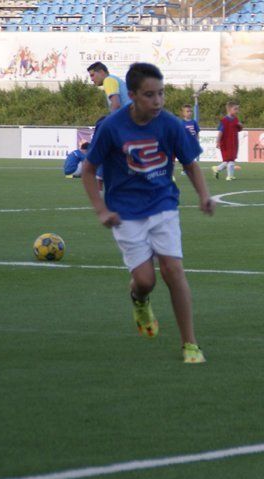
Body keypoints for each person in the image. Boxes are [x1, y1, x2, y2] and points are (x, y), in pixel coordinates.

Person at [80, 62, 214, 364]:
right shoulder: (112, 127)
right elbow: (88, 170)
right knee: (145, 281)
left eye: (161, 94)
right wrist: (101, 210)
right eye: (149, 95)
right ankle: (139, 299)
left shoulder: (170, 124)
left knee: (173, 270)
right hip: (125, 212)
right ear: (133, 95)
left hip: (163, 204)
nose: (157, 101)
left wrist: (203, 195)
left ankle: (190, 343)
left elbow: (190, 164)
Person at [212, 100, 242, 181]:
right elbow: (220, 132)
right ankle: (229, 176)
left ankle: (217, 168)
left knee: (229, 160)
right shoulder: (224, 121)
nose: (237, 111)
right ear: (229, 110)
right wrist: (218, 141)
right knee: (230, 160)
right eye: (235, 109)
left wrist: (240, 125)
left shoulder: (236, 119)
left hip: (234, 143)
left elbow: (239, 129)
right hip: (226, 143)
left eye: (237, 109)